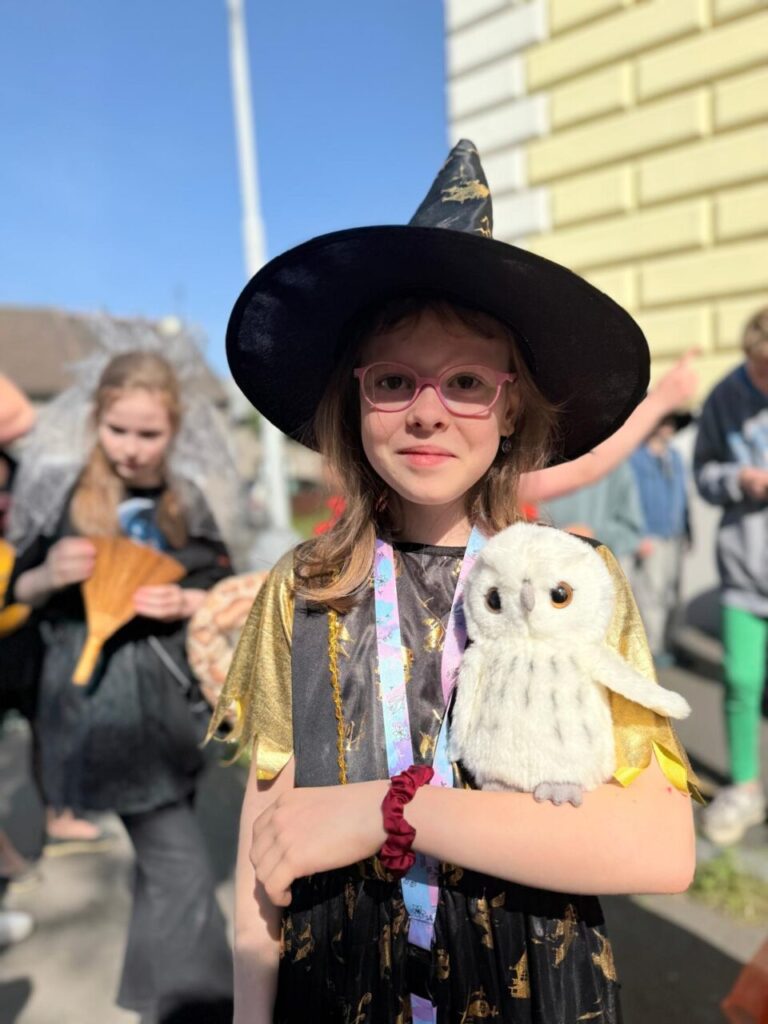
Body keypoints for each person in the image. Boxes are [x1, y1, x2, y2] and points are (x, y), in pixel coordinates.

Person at [210, 140, 697, 1024]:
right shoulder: (307, 587)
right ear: (355, 401)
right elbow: (266, 841)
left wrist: (389, 813)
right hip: (340, 991)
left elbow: (658, 846)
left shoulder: (568, 579)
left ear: (510, 408)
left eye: (466, 381)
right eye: (394, 381)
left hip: (533, 990)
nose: (428, 412)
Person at [7, 352, 234, 1022]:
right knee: (180, 865)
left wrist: (186, 602)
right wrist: (48, 574)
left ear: (174, 430)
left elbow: (222, 585)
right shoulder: (64, 495)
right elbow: (16, 590)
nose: (131, 448)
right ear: (96, 421)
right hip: (99, 708)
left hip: (176, 703)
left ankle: (149, 999)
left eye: (148, 433)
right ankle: (202, 1007)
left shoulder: (186, 501)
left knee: (161, 866)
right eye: (118, 430)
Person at [694, 305, 768, 846]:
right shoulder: (725, 395)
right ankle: (744, 787)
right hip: (745, 571)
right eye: (760, 371)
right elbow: (703, 473)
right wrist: (739, 479)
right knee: (742, 682)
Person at [630, 413, 691, 664]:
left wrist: (688, 530)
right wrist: (639, 535)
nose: (669, 427)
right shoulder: (636, 458)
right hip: (651, 535)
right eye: (665, 422)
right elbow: (632, 499)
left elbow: (683, 496)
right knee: (651, 593)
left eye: (672, 423)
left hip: (674, 534)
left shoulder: (675, 457)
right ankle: (652, 649)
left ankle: (666, 643)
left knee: (671, 593)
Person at [542, 461, 644, 575]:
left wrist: (593, 536)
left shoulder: (616, 465)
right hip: (546, 568)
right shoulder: (543, 459)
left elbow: (631, 531)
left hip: (596, 572)